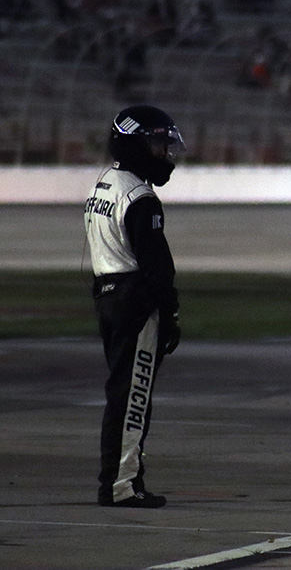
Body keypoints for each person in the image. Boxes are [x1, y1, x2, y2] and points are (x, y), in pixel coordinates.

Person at [83, 105, 185, 508]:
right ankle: (121, 485)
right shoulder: (140, 197)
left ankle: (121, 479)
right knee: (133, 397)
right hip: (134, 301)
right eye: (158, 144)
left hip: (106, 295)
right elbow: (157, 266)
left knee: (121, 394)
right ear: (137, 144)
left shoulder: (104, 184)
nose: (165, 154)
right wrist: (170, 312)